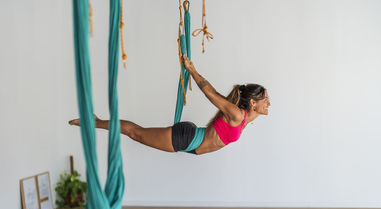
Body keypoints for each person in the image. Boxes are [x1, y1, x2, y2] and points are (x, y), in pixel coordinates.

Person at [69, 55, 271, 155]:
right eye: (265, 100)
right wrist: (192, 70)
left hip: (191, 141)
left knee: (137, 133)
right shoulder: (237, 114)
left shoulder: (243, 118)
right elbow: (211, 93)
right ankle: (94, 122)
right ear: (253, 103)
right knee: (135, 133)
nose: (269, 103)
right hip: (188, 139)